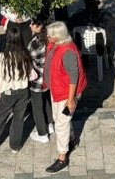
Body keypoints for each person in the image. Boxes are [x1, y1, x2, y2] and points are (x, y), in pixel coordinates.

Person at [0, 24, 34, 152]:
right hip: (23, 91)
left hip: (8, 92)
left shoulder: (3, 57)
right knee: (18, 119)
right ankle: (15, 145)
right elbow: (31, 74)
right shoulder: (25, 54)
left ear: (8, 39)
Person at [43, 21, 86, 175]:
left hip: (65, 94)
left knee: (61, 124)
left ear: (58, 36)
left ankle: (62, 158)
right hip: (57, 90)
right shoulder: (57, 45)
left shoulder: (67, 51)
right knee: (60, 119)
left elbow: (73, 77)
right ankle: (72, 140)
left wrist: (71, 99)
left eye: (50, 35)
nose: (47, 37)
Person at [26, 15, 52, 144]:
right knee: (46, 99)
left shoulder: (36, 42)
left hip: (38, 78)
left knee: (36, 105)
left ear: (40, 26)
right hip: (48, 76)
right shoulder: (48, 38)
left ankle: (42, 133)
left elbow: (28, 56)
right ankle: (50, 123)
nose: (30, 25)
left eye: (33, 24)